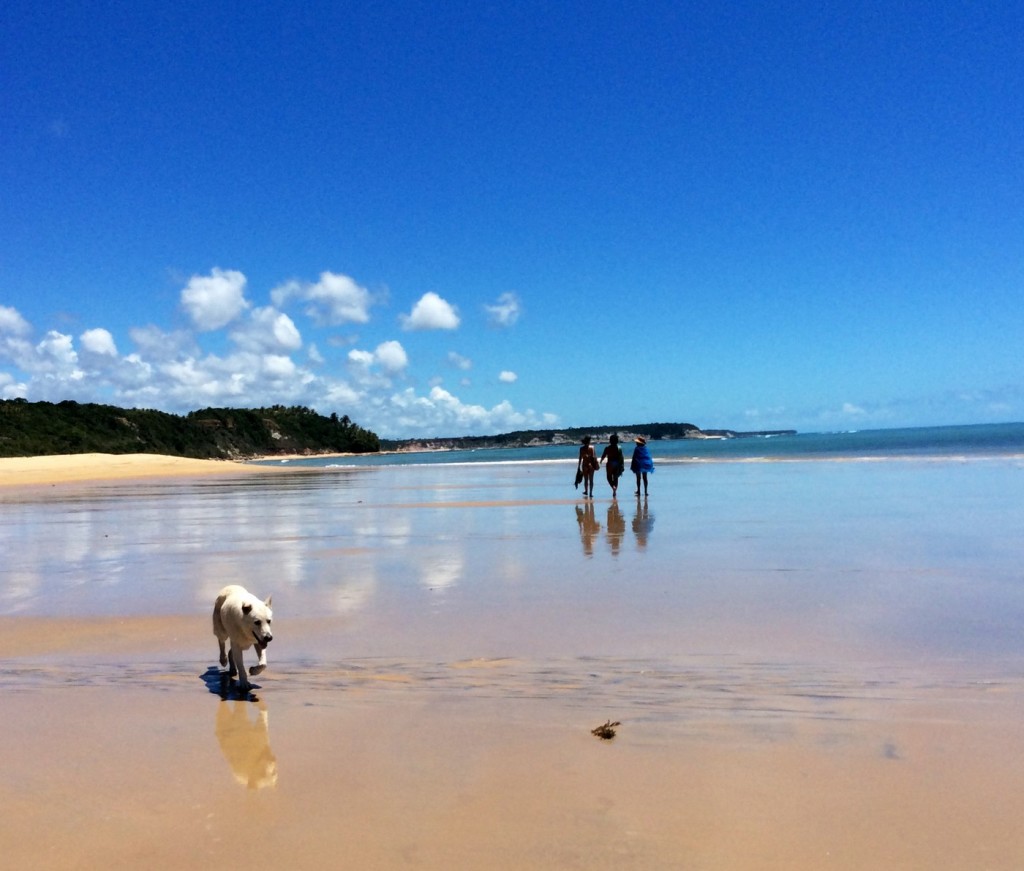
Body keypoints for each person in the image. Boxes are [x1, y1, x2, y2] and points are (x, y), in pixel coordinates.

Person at [599, 433, 625, 498]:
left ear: (610, 440)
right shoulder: (619, 448)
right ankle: (615, 490)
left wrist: (601, 461)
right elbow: (621, 457)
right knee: (615, 478)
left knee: (609, 477)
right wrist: (622, 465)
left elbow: (603, 456)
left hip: (610, 464)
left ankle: (613, 487)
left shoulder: (607, 448)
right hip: (617, 463)